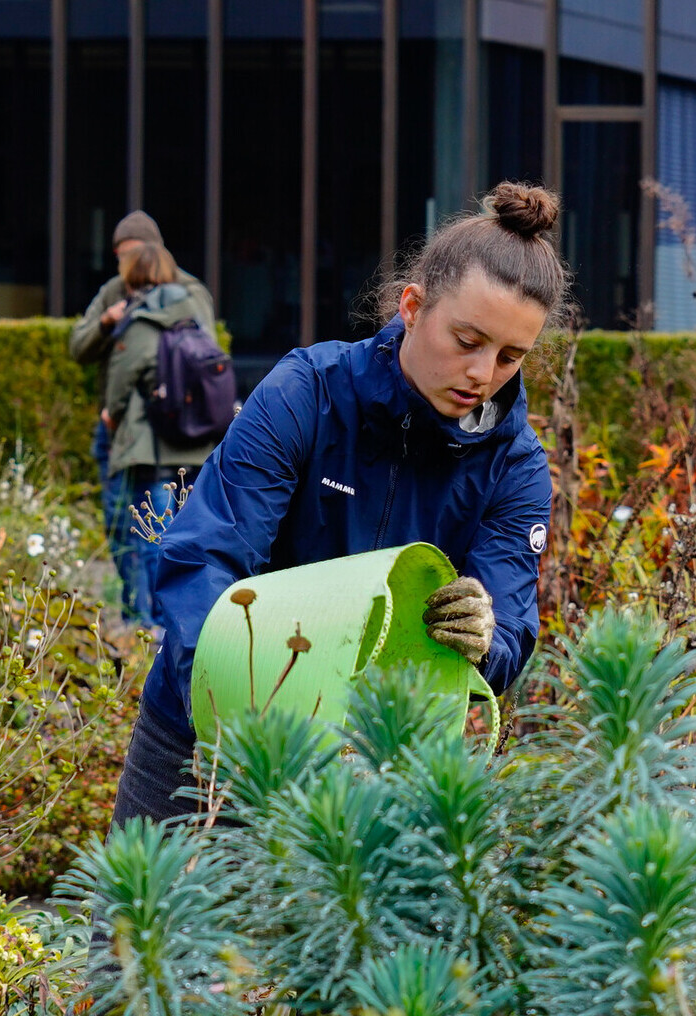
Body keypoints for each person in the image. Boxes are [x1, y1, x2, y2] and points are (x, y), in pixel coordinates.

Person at [110, 183, 564, 822]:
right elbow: (205, 557)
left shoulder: (515, 467)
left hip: (380, 764)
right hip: (214, 726)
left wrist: (483, 640)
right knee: (143, 923)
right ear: (412, 306)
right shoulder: (307, 394)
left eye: (511, 356)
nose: (483, 373)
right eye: (467, 340)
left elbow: (510, 626)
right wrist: (231, 716)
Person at [71, 211, 217, 623]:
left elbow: (128, 369)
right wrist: (105, 321)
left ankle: (145, 623)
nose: (126, 264)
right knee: (142, 527)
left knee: (145, 529)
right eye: (121, 256)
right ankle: (148, 618)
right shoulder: (120, 292)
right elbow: (79, 345)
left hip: (148, 434)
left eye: (132, 255)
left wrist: (114, 413)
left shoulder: (176, 296)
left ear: (152, 252)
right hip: (162, 435)